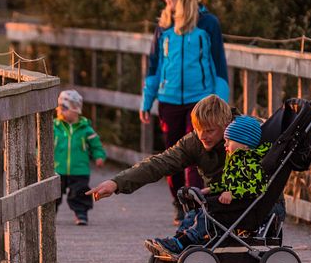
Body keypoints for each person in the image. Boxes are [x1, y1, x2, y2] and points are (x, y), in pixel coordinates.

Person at [139, 0, 230, 224]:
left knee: (196, 153)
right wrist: (147, 100)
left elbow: (219, 66)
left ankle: (195, 206)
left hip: (199, 101)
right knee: (173, 156)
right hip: (168, 101)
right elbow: (154, 66)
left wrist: (221, 107)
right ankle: (179, 203)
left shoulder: (208, 24)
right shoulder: (163, 27)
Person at [88, 95, 233, 217]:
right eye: (198, 129)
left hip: (241, 200)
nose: (202, 136)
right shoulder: (194, 141)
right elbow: (159, 163)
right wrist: (116, 183)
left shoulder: (248, 136)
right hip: (216, 200)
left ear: (226, 125)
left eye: (209, 131)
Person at [146, 115, 271, 255]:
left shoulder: (252, 164)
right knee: (194, 210)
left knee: (206, 212)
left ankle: (183, 242)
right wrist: (211, 189)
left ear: (244, 144)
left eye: (228, 141)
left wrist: (233, 193)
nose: (225, 145)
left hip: (241, 208)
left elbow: (257, 187)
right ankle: (179, 239)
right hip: (232, 205)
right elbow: (228, 184)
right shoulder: (236, 161)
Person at [54, 89, 107, 225]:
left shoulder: (85, 129)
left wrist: (99, 156)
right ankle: (48, 216)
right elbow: (42, 145)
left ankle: (81, 214)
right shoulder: (55, 127)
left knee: (80, 193)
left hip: (79, 169)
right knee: (53, 195)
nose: (60, 112)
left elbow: (96, 145)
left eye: (64, 109)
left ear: (76, 109)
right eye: (59, 109)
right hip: (57, 168)